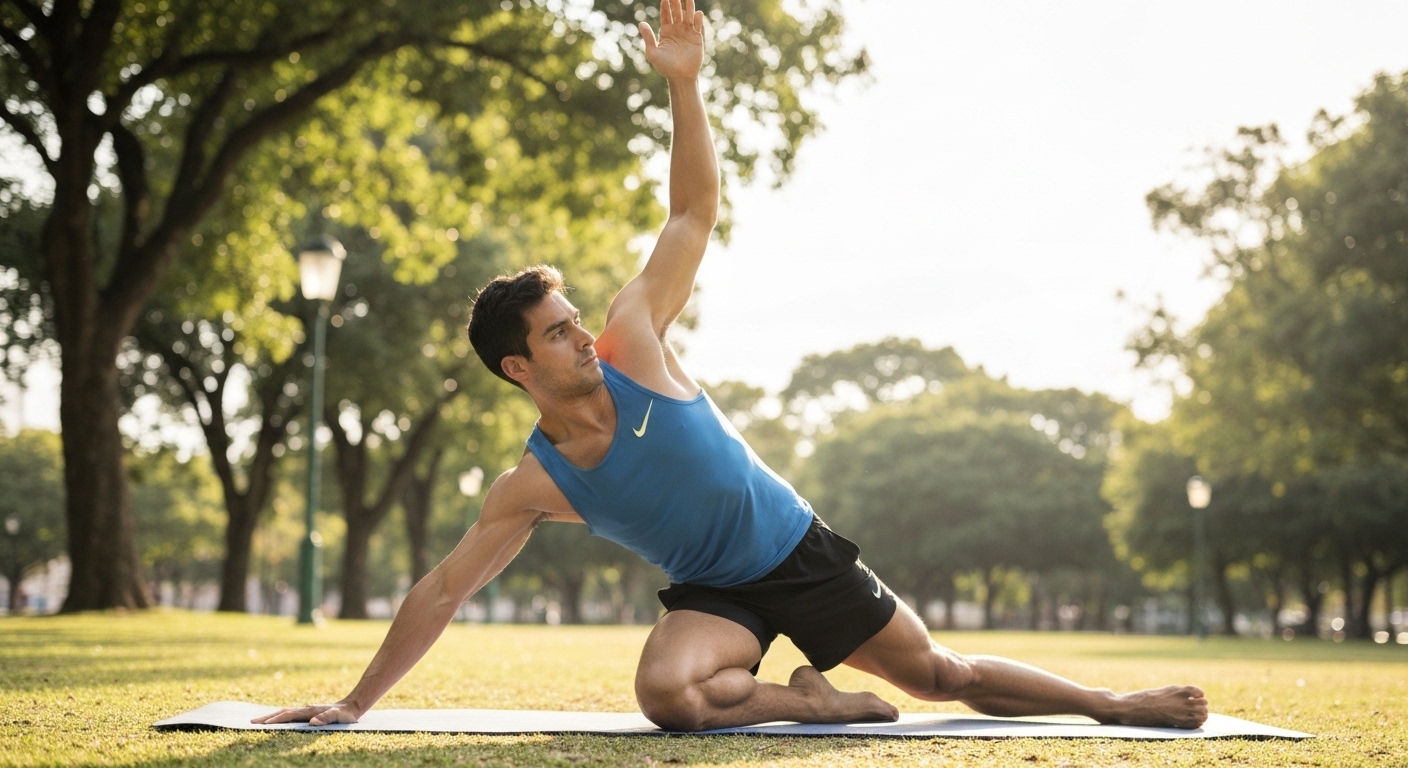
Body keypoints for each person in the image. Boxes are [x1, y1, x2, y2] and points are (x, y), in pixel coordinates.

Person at [255, 0, 1209, 732]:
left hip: (797, 551)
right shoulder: (536, 483)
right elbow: (442, 590)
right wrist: (353, 705)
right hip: (717, 598)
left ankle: (1111, 705)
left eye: (574, 321)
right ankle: (811, 705)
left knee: (938, 678)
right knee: (668, 694)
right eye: (556, 334)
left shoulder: (634, 340)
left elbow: (691, 216)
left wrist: (683, 82)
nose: (582, 337)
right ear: (517, 367)